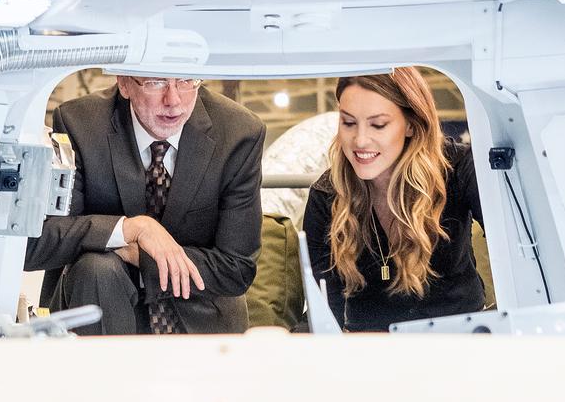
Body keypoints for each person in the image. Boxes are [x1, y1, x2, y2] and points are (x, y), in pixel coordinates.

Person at [24, 74, 266, 334]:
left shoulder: (239, 132)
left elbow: (236, 268)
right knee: (97, 267)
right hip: (98, 309)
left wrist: (135, 252)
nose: (173, 100)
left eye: (186, 81)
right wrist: (131, 229)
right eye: (155, 82)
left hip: (199, 317)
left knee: (99, 257)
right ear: (125, 84)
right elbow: (37, 244)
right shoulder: (80, 123)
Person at [303, 68, 485, 331]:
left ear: (411, 124)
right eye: (349, 123)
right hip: (370, 351)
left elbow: (516, 255)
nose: (360, 140)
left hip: (457, 341)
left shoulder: (457, 169)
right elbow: (324, 313)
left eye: (378, 124)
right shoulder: (326, 195)